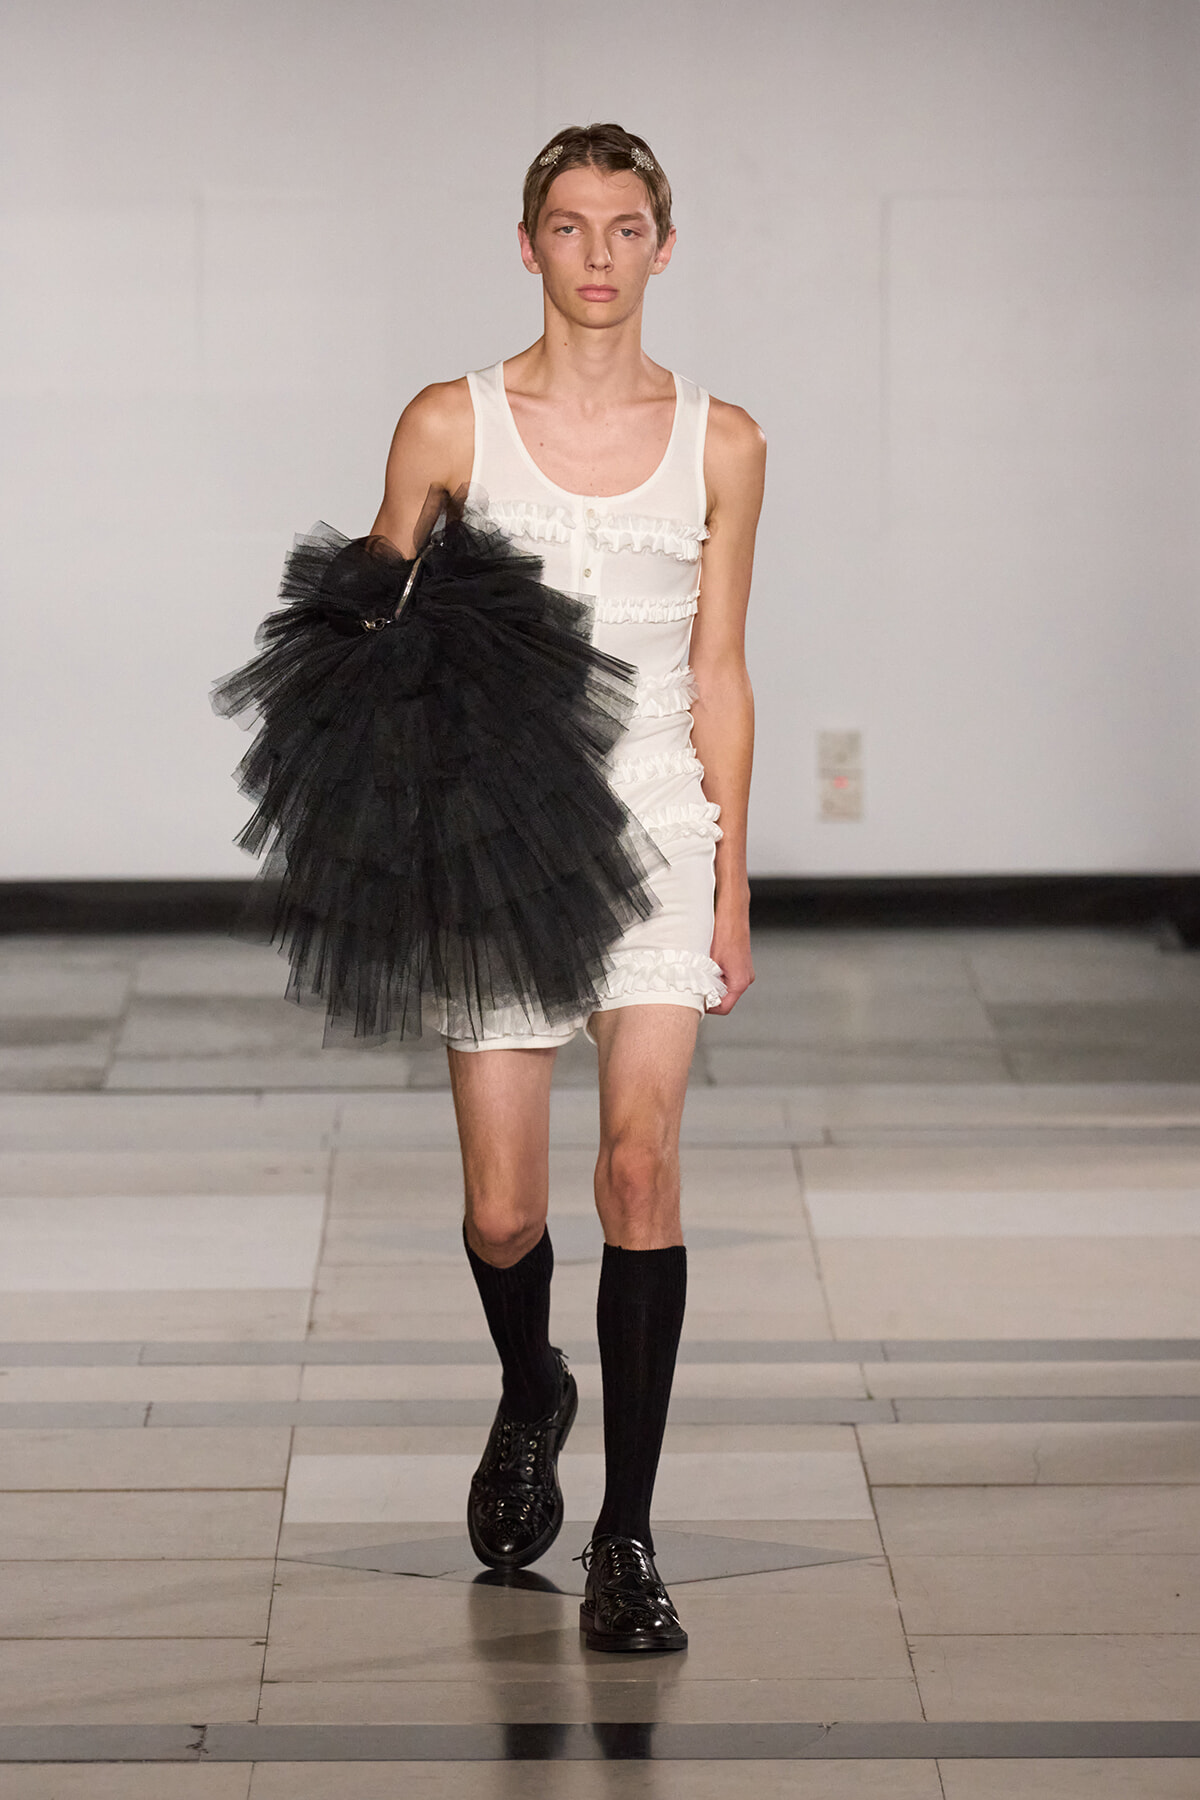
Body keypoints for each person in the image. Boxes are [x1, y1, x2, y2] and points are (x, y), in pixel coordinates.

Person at [369, 122, 765, 1653]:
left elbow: (720, 670)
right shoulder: (447, 424)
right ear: (523, 243)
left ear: (666, 245)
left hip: (661, 825)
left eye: (625, 227)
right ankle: (534, 1384)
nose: (596, 256)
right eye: (568, 226)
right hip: (492, 837)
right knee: (502, 1205)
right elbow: (374, 632)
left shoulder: (722, 440)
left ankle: (627, 1536)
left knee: (643, 1171)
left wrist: (733, 883)